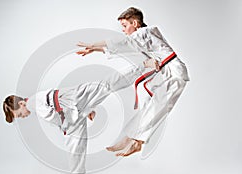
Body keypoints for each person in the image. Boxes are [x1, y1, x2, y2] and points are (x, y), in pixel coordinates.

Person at [3, 61, 147, 174]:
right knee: (74, 145)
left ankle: (143, 65)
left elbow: (51, 116)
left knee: (106, 85)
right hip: (72, 108)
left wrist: (68, 123)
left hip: (73, 99)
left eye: (19, 114)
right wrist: (85, 112)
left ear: (21, 104)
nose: (22, 116)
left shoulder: (31, 103)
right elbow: (56, 113)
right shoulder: (34, 102)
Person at [76, 7, 190, 157]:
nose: (123, 30)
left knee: (155, 108)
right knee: (147, 106)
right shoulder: (144, 37)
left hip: (175, 74)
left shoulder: (144, 33)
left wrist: (93, 45)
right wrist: (95, 50)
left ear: (135, 23)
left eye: (124, 26)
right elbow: (124, 48)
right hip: (167, 73)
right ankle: (129, 138)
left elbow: (121, 43)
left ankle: (137, 142)